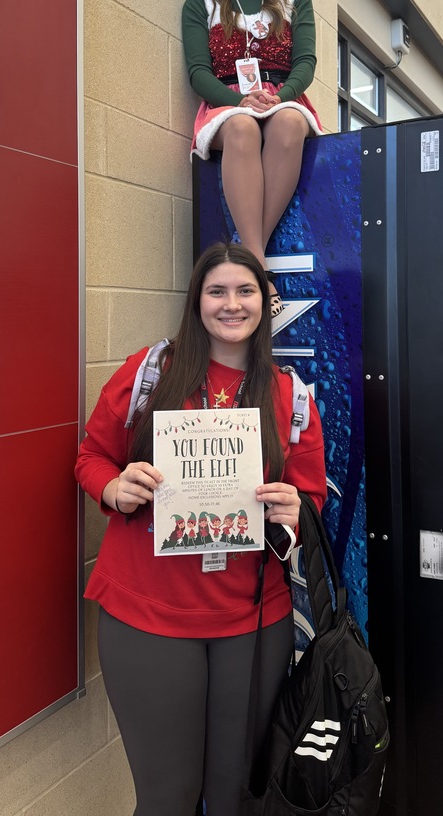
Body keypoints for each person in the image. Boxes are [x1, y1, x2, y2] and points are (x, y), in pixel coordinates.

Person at [75, 243, 327, 816]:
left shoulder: (291, 397)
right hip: (149, 616)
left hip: (253, 621)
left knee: (234, 796)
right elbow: (92, 457)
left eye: (246, 291)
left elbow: (310, 499)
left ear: (266, 302)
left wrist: (293, 514)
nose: (232, 304)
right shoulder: (152, 373)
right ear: (197, 301)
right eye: (217, 291)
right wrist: (115, 489)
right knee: (168, 798)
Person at [182, 0, 323, 318]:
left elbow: (306, 61)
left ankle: (244, 258)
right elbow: (197, 72)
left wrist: (280, 95)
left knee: (290, 123)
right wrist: (237, 101)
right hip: (227, 104)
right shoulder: (199, 0)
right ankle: (259, 271)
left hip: (282, 96)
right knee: (242, 129)